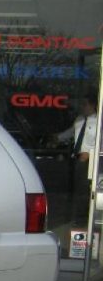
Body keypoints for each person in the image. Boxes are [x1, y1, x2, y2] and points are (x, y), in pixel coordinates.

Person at [58, 92, 99, 224]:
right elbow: (71, 132)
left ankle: (83, 218)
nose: (82, 107)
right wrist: (56, 138)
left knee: (85, 191)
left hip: (89, 161)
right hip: (75, 158)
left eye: (85, 104)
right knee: (75, 189)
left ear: (93, 105)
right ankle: (76, 215)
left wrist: (90, 154)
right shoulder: (79, 119)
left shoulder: (99, 121)